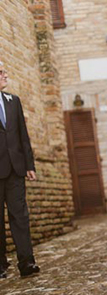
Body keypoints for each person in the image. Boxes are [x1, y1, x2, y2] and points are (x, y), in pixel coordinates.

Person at [0, 60, 40, 278]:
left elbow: (23, 136)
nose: (5, 76)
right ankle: (0, 266)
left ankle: (27, 262)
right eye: (0, 73)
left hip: (16, 169)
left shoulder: (13, 102)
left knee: (20, 216)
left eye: (4, 71)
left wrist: (29, 165)